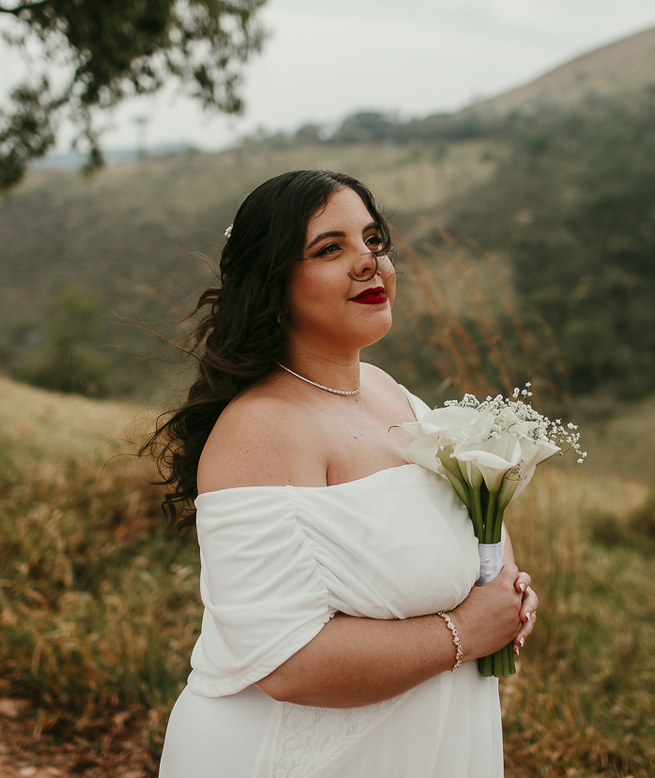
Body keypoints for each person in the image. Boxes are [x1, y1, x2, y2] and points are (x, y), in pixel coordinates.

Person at [146, 169, 539, 777]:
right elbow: (286, 663)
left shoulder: (388, 393)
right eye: (330, 249)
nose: (369, 263)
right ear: (273, 284)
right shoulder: (263, 429)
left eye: (373, 241)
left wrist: (507, 591)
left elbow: (463, 518)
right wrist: (465, 631)